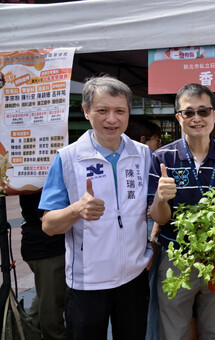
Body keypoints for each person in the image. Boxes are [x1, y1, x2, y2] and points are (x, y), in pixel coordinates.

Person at [39, 75, 153, 340]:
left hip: (134, 278)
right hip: (87, 283)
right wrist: (76, 209)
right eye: (102, 110)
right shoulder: (68, 158)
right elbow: (48, 225)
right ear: (87, 111)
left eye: (119, 111)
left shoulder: (143, 154)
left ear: (128, 113)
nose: (111, 119)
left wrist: (152, 245)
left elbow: (154, 207)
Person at [148, 83, 215, 340]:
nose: (197, 118)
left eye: (203, 111)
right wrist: (162, 199)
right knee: (174, 331)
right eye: (188, 112)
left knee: (214, 329)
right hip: (175, 257)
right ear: (179, 117)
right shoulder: (163, 157)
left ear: (214, 115)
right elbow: (159, 218)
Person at [124, 117, 162, 340]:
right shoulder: (149, 162)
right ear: (143, 140)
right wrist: (155, 236)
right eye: (157, 139)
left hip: (136, 230)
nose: (160, 144)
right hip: (146, 229)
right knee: (150, 293)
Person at [20, 191, 66, 340]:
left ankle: (28, 333)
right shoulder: (39, 177)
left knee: (47, 296)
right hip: (47, 248)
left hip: (48, 247)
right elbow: (46, 217)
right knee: (51, 305)